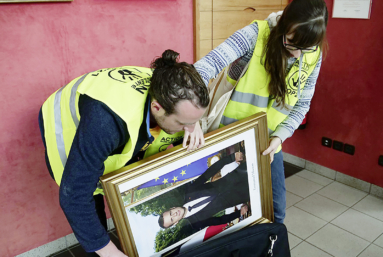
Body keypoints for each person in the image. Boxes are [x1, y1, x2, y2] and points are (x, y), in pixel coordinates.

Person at [38, 50, 209, 257]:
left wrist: (193, 122)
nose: (188, 129)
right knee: (92, 206)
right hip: (67, 131)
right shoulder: (106, 124)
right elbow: (73, 196)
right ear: (157, 107)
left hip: (109, 122)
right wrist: (109, 252)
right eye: (182, 123)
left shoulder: (173, 85)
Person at [194, 0, 329, 224]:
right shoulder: (255, 35)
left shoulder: (313, 53)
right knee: (225, 215)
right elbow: (201, 70)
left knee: (276, 212)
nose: (297, 55)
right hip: (226, 139)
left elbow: (302, 104)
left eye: (306, 48)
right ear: (283, 26)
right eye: (291, 43)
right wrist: (190, 121)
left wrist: (279, 137)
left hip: (267, 145)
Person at [158, 152, 249, 230]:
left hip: (239, 174)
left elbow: (209, 172)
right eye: (172, 219)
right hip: (242, 195)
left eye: (170, 213)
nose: (174, 214)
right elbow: (219, 220)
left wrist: (231, 157)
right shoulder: (196, 224)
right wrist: (239, 213)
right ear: (175, 223)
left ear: (172, 208)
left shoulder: (189, 191)